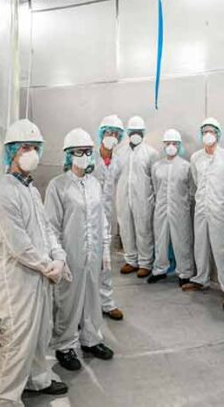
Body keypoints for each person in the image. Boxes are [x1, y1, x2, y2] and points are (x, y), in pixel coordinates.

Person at [0, 119, 70, 405]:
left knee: (40, 333)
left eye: (35, 147)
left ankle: (37, 379)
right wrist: (50, 266)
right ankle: (2, 398)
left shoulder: (31, 190)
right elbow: (18, 244)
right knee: (18, 340)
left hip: (39, 276)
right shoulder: (3, 192)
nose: (31, 153)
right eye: (25, 147)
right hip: (17, 280)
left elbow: (46, 230)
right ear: (11, 152)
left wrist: (59, 256)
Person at [45, 128, 115, 372]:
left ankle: (91, 339)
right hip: (70, 254)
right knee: (68, 301)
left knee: (93, 298)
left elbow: (102, 218)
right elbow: (50, 226)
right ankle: (65, 346)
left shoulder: (95, 184)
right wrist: (58, 256)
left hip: (93, 253)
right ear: (68, 155)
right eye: (78, 152)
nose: (84, 156)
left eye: (87, 151)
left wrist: (105, 248)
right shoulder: (58, 186)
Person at [183, 117, 224, 311]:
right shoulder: (195, 158)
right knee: (200, 244)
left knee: (222, 248)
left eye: (212, 131)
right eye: (205, 131)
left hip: (220, 210)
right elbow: (196, 181)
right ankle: (201, 278)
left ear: (218, 134)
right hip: (201, 207)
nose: (208, 134)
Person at [114, 115, 159, 279]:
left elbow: (155, 179)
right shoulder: (120, 152)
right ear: (127, 133)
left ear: (144, 132)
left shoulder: (151, 153)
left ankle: (145, 262)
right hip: (123, 196)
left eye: (138, 131)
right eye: (133, 131)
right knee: (126, 228)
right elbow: (115, 175)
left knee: (143, 229)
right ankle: (131, 260)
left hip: (143, 197)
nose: (135, 134)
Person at [150, 129, 195, 286]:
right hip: (161, 208)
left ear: (179, 145)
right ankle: (159, 269)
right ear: (163, 145)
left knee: (182, 240)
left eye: (174, 143)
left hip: (180, 209)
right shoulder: (157, 166)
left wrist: (183, 204)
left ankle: (185, 273)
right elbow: (155, 187)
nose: (171, 146)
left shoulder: (186, 166)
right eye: (168, 143)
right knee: (160, 240)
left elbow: (191, 190)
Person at [92, 114, 124, 321]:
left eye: (115, 134)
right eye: (108, 132)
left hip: (106, 218)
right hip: (86, 218)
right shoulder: (89, 157)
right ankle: (84, 306)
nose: (111, 136)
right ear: (101, 134)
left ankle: (107, 303)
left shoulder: (118, 162)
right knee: (83, 263)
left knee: (105, 261)